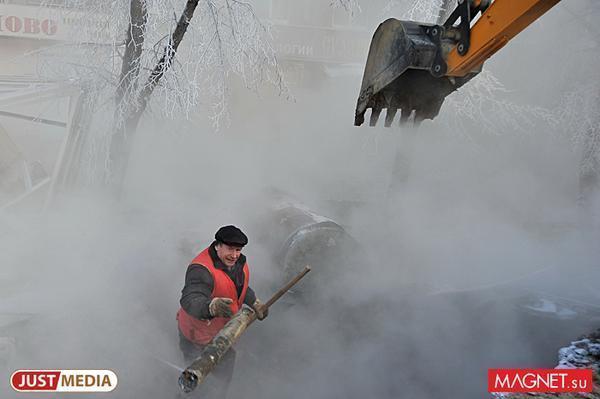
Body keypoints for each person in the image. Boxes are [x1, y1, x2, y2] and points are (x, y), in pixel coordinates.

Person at [176, 225, 268, 397]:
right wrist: (211, 307)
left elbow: (238, 287)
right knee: (195, 379)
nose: (234, 255)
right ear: (217, 245)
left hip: (221, 332)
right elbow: (190, 299)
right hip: (198, 336)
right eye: (230, 249)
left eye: (238, 250)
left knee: (221, 377)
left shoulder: (237, 263)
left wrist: (254, 301)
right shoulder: (201, 270)